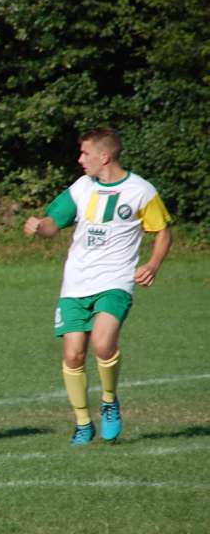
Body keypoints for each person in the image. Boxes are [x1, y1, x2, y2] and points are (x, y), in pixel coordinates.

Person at [24, 127, 172, 445]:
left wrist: (152, 264)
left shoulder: (141, 191)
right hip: (75, 284)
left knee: (103, 345)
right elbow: (54, 224)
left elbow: (162, 230)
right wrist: (39, 226)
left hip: (115, 281)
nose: (80, 160)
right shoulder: (81, 187)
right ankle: (82, 422)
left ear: (103, 156)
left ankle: (108, 402)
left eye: (85, 154)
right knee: (73, 354)